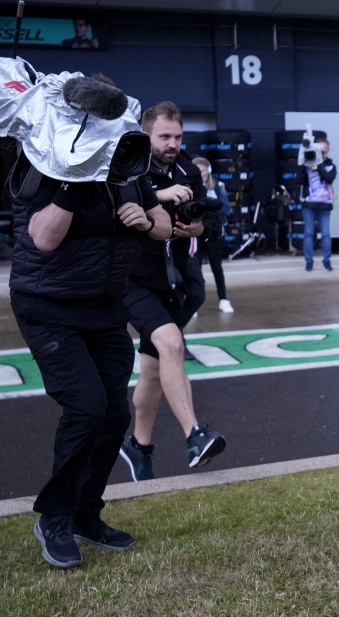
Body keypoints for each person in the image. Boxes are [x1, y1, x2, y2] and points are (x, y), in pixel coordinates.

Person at [9, 126, 173, 568]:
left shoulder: (130, 168)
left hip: (105, 308)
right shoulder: (49, 166)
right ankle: (54, 517)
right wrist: (75, 180)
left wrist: (146, 220)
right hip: (48, 305)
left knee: (114, 414)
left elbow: (164, 226)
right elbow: (44, 238)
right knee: (86, 407)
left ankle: (85, 515)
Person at [119, 101, 226, 482]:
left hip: (171, 282)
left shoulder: (187, 170)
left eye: (178, 137)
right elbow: (121, 207)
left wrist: (201, 228)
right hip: (131, 280)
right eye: (164, 136)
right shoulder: (128, 167)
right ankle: (195, 436)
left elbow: (212, 216)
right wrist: (161, 195)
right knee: (172, 344)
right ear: (145, 134)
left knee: (152, 371)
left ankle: (138, 446)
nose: (173, 144)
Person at [190, 157, 233, 313]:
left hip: (214, 232)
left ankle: (223, 299)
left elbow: (227, 209)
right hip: (195, 232)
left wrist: (210, 203)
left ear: (208, 171)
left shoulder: (218, 185)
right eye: (197, 170)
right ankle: (193, 302)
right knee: (195, 268)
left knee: (217, 267)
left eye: (202, 170)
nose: (200, 173)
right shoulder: (188, 187)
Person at [297, 139, 336, 272]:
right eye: (320, 148)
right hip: (309, 204)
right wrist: (303, 166)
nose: (323, 150)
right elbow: (298, 181)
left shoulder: (330, 165)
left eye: (325, 148)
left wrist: (319, 165)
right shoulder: (306, 163)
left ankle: (327, 261)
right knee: (308, 233)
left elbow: (329, 178)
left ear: (328, 150)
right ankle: (309, 261)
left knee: (325, 234)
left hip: (325, 204)